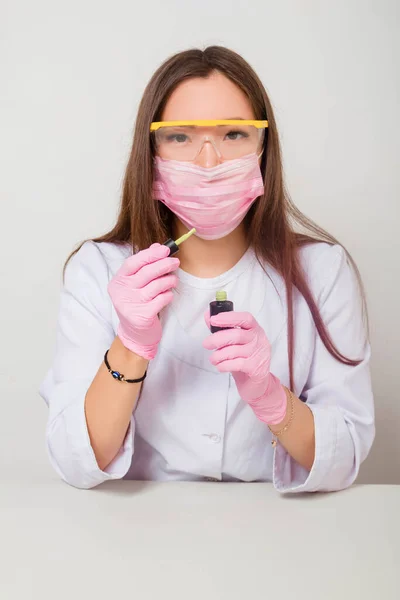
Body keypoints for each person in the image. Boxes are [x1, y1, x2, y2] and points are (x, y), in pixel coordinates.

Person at [39, 46, 375, 492]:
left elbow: (341, 461)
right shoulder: (99, 270)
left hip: (276, 536)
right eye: (180, 137)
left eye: (234, 134)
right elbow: (78, 462)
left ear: (263, 147)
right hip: (139, 530)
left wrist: (271, 397)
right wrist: (131, 345)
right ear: (151, 151)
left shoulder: (322, 271)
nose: (209, 161)